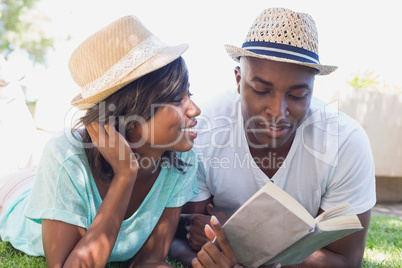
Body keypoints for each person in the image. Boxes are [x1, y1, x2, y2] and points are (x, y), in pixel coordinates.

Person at [169, 7, 376, 268]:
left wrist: (244, 252)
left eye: (298, 95)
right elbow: (183, 236)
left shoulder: (345, 143)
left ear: (312, 90)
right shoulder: (205, 128)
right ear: (238, 80)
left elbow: (347, 260)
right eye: (261, 90)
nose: (278, 112)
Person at [0, 15, 201, 267]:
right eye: (176, 99)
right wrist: (126, 173)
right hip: (13, 193)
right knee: (11, 149)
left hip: (42, 179)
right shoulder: (66, 154)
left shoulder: (181, 162)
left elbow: (150, 259)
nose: (195, 109)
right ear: (131, 111)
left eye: (189, 94)